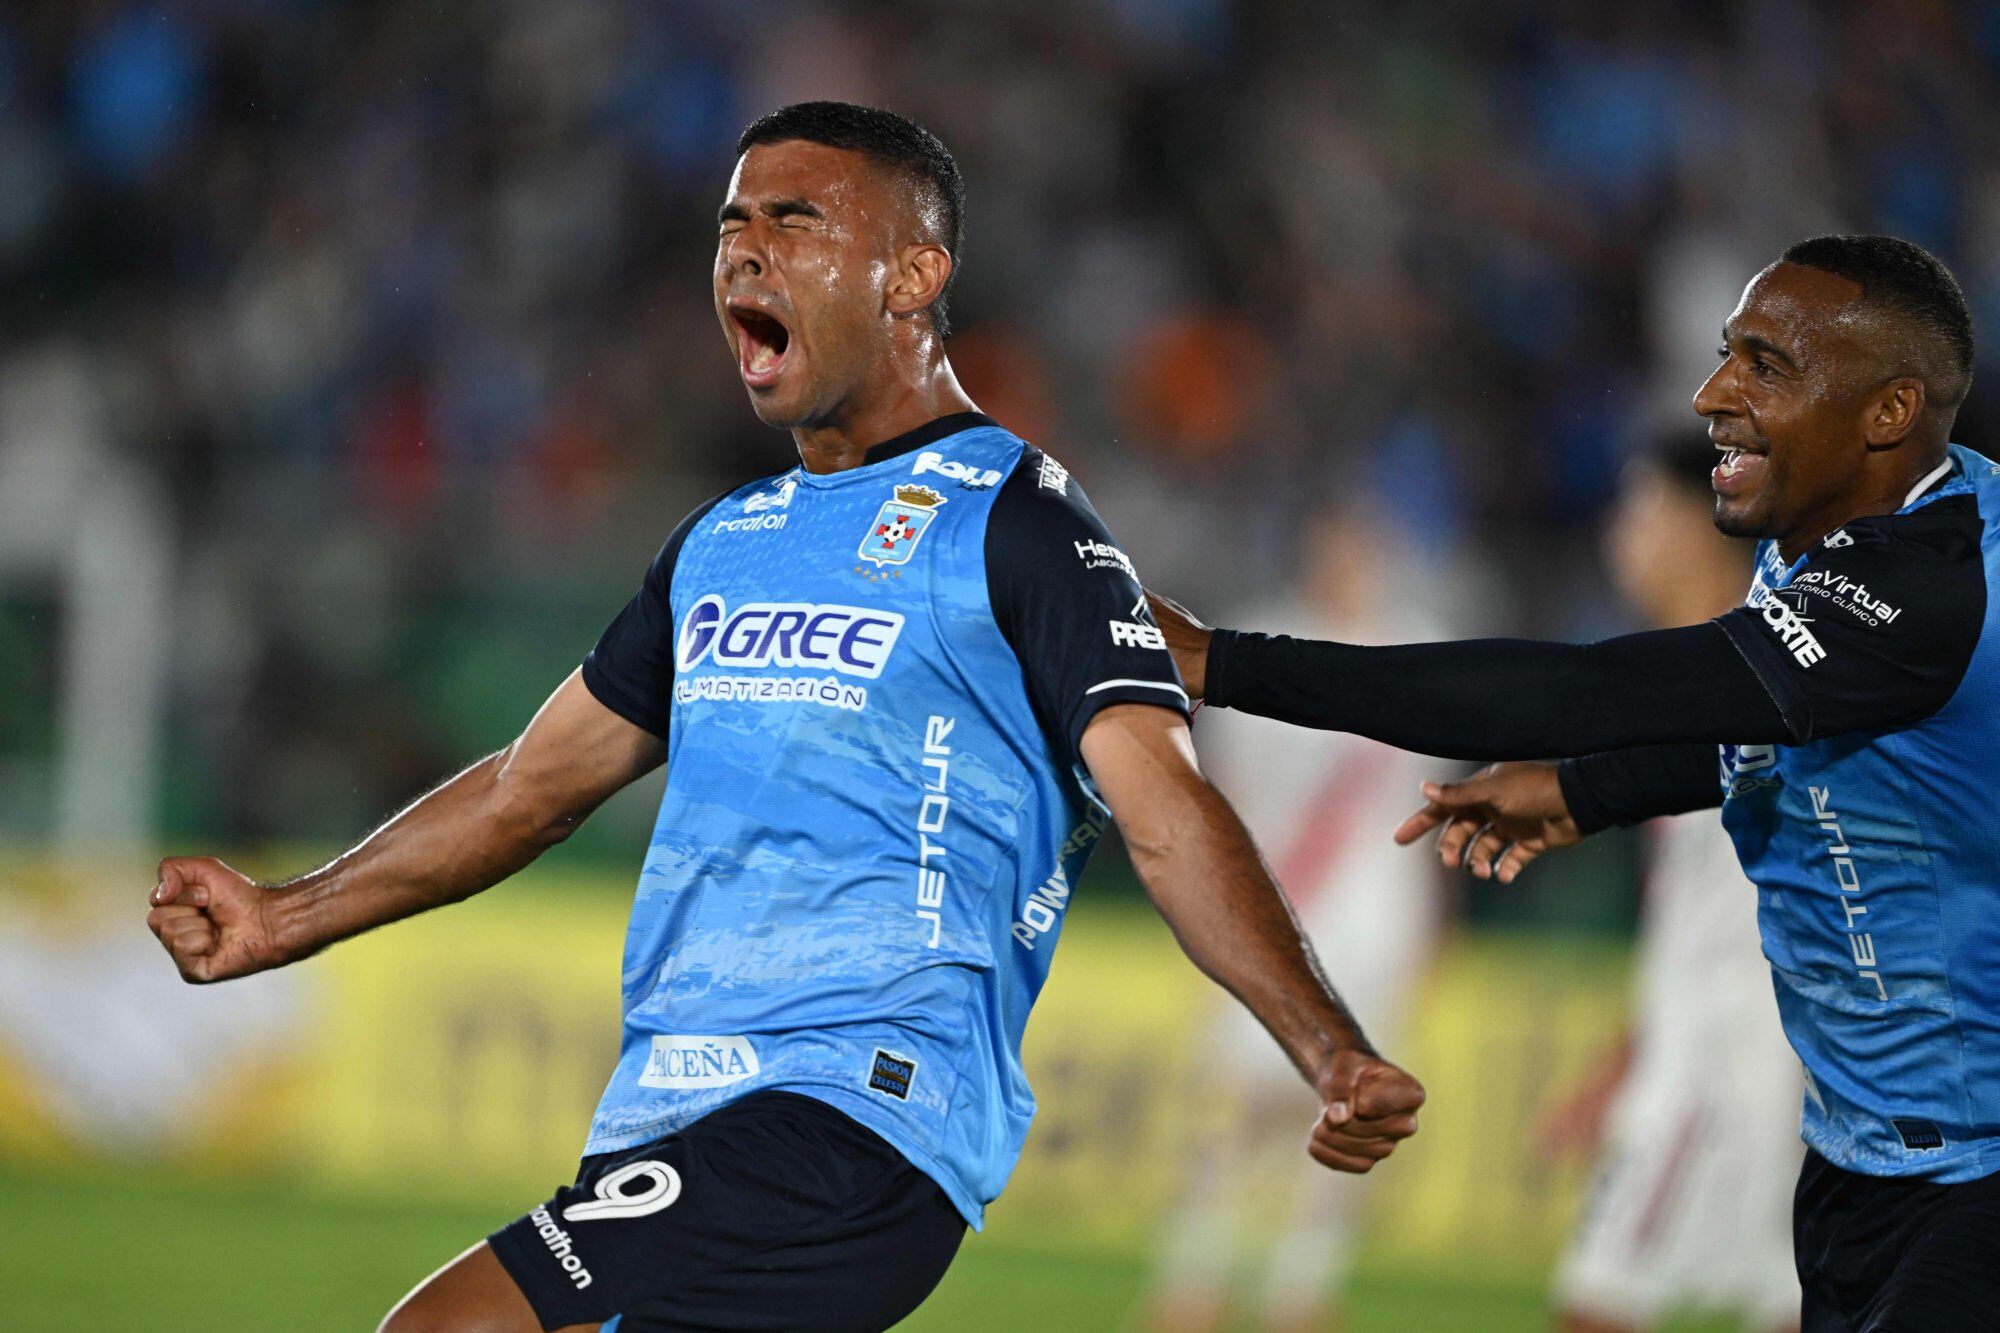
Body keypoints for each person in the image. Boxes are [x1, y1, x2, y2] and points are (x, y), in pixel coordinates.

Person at [144, 102, 1423, 1333]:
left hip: (857, 1113)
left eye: (795, 220)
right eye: (729, 223)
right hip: (671, 1106)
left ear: (913, 275)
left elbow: (1165, 812)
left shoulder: (1021, 525)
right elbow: (525, 789)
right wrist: (284, 913)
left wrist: (1326, 1048)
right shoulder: (722, 543)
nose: (744, 249)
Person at [1149, 234, 2000, 1332]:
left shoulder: (1931, 589)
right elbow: (1775, 731)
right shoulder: (1842, 540)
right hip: (1856, 1153)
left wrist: (1223, 662)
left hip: (1968, 1169)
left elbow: (1584, 691)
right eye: (1724, 353)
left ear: (1887, 411)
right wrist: (1589, 791)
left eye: (1765, 365)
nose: (1711, 394)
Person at [1143, 504, 1447, 1333]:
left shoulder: (1416, 647)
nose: (1349, 561)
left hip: (1375, 923)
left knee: (1350, 1110)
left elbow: (1432, 809)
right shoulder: (1264, 647)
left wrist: (1431, 930)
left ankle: (1300, 1288)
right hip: (1275, 913)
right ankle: (1194, 1276)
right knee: (1234, 1105)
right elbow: (1222, 793)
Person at [1541, 433, 1799, 1333]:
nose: (1621, 534)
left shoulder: (1757, 675)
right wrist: (1625, 1059)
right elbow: (1700, 913)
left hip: (1736, 1057)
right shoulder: (1692, 673)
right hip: (1717, 1046)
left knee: (1598, 1301)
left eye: (1637, 507)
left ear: (1696, 523)